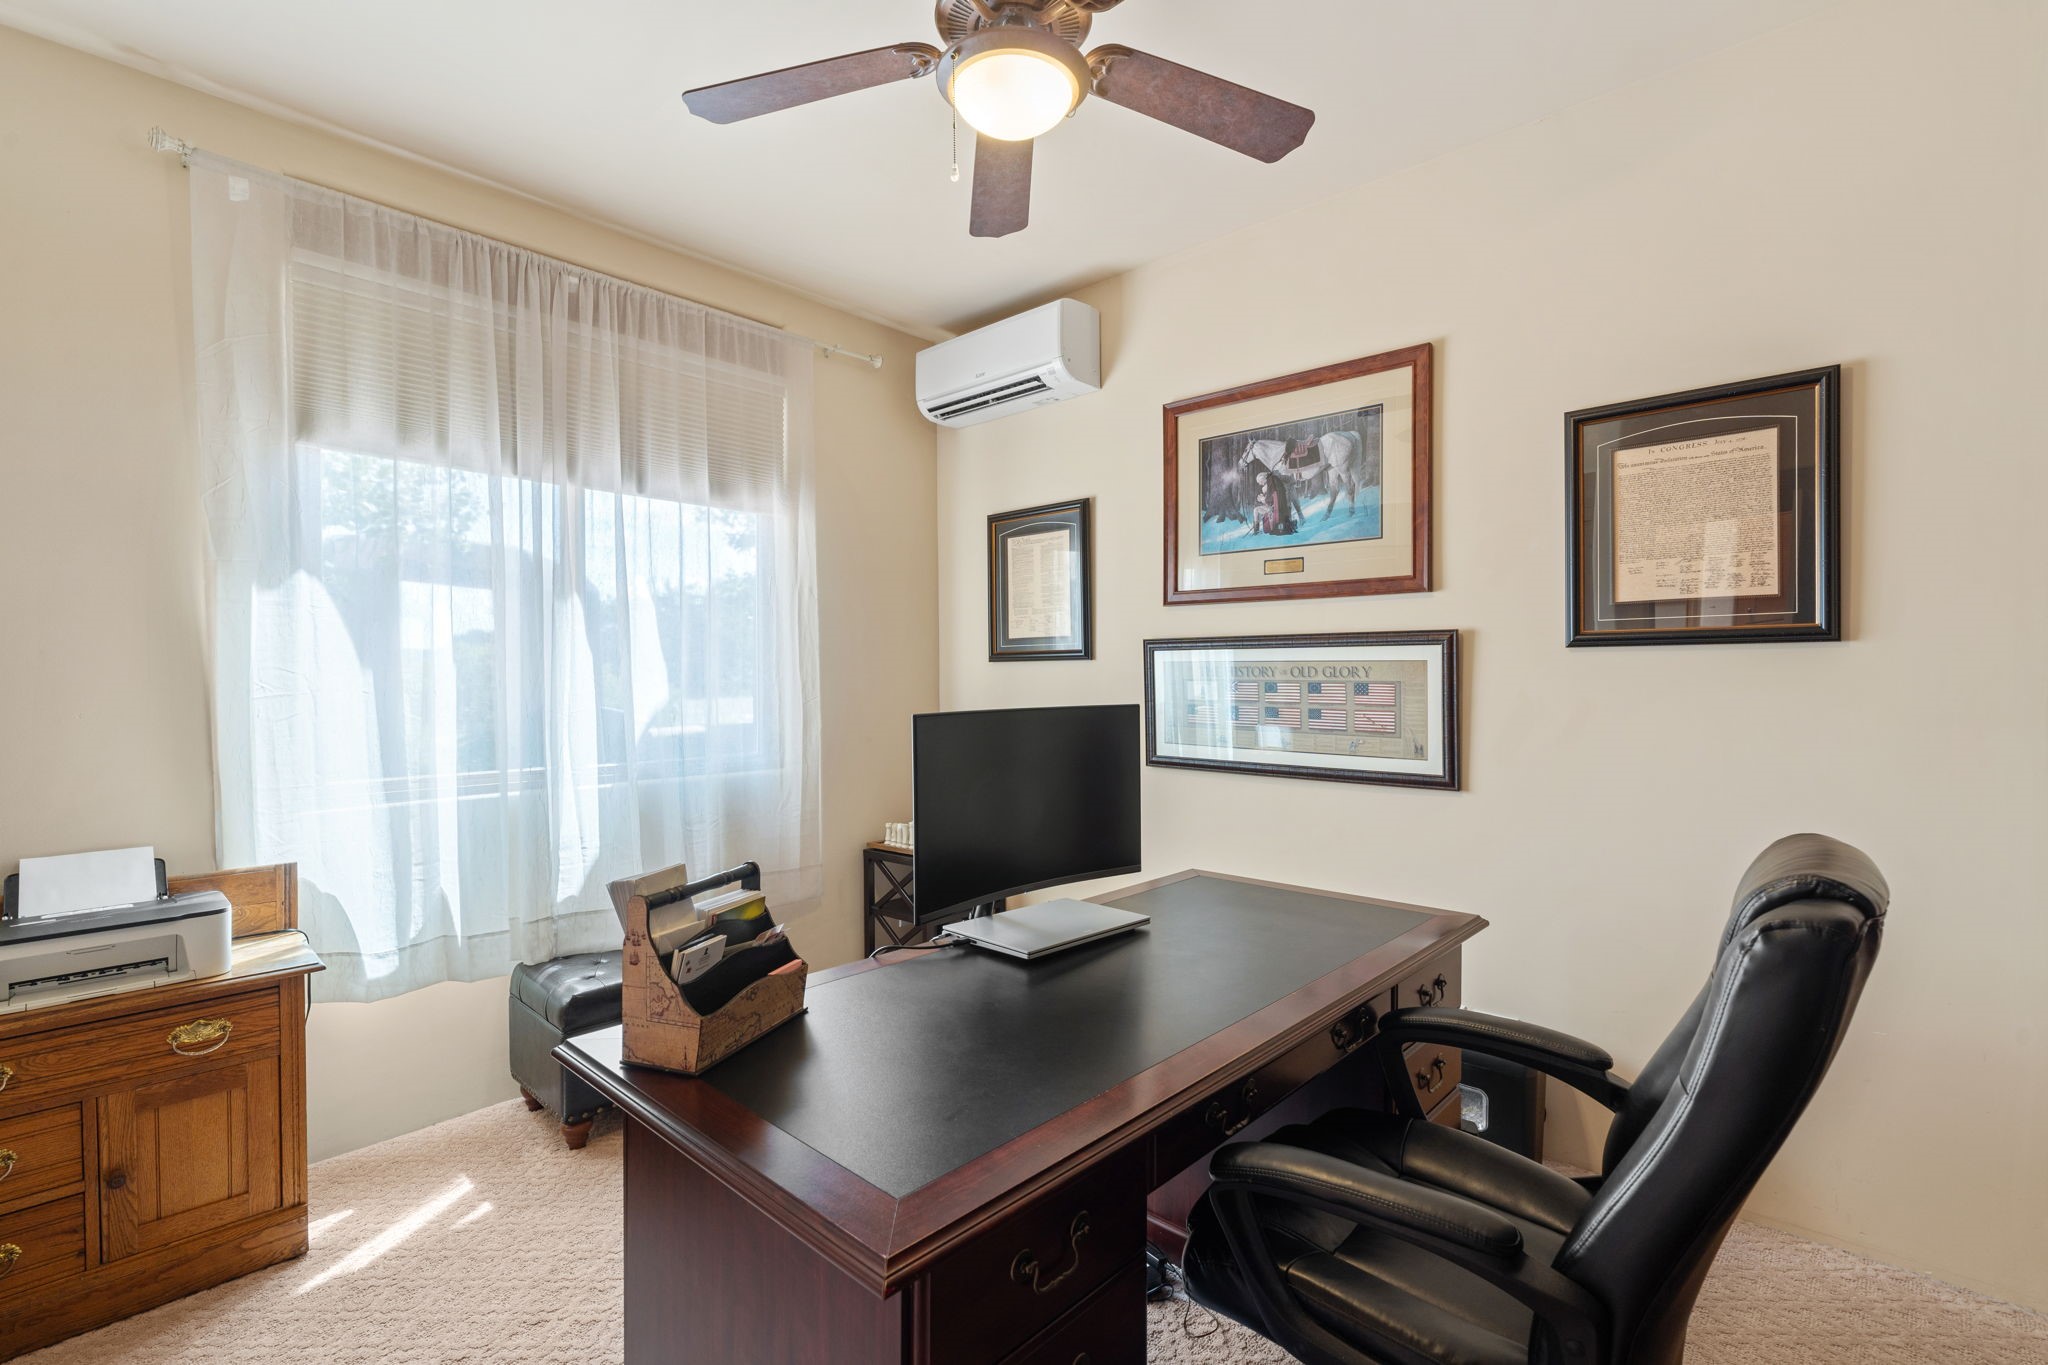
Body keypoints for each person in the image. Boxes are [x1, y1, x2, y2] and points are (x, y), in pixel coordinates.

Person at [1251, 466, 1297, 537]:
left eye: (1260, 482)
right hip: (1276, 507)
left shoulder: (1269, 483)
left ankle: (1256, 530)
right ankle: (1256, 530)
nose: (1260, 484)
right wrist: (1263, 499)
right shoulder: (1272, 481)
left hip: (1273, 509)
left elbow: (1270, 499)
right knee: (1256, 510)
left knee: (1256, 510)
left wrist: (1262, 499)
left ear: (1262, 479)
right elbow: (1271, 498)